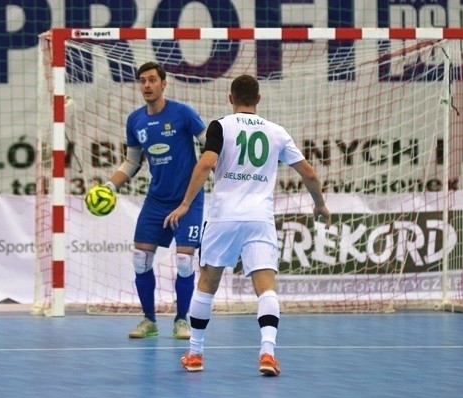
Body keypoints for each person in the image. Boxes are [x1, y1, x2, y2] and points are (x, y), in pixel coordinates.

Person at [164, 74, 331, 376]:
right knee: (266, 289)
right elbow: (309, 172)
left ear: (231, 98)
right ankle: (267, 353)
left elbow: (205, 163)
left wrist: (186, 203)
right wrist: (319, 205)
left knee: (207, 284)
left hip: (224, 216)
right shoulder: (276, 132)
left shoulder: (221, 126)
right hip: (259, 218)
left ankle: (196, 353)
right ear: (258, 100)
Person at [96, 62, 206, 340]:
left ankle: (182, 320)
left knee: (184, 260)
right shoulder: (135, 120)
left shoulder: (183, 114)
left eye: (152, 80)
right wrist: (109, 187)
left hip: (187, 200)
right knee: (140, 258)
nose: (147, 85)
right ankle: (149, 320)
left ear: (163, 83)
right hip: (156, 200)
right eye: (142, 81)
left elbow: (209, 145)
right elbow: (132, 161)